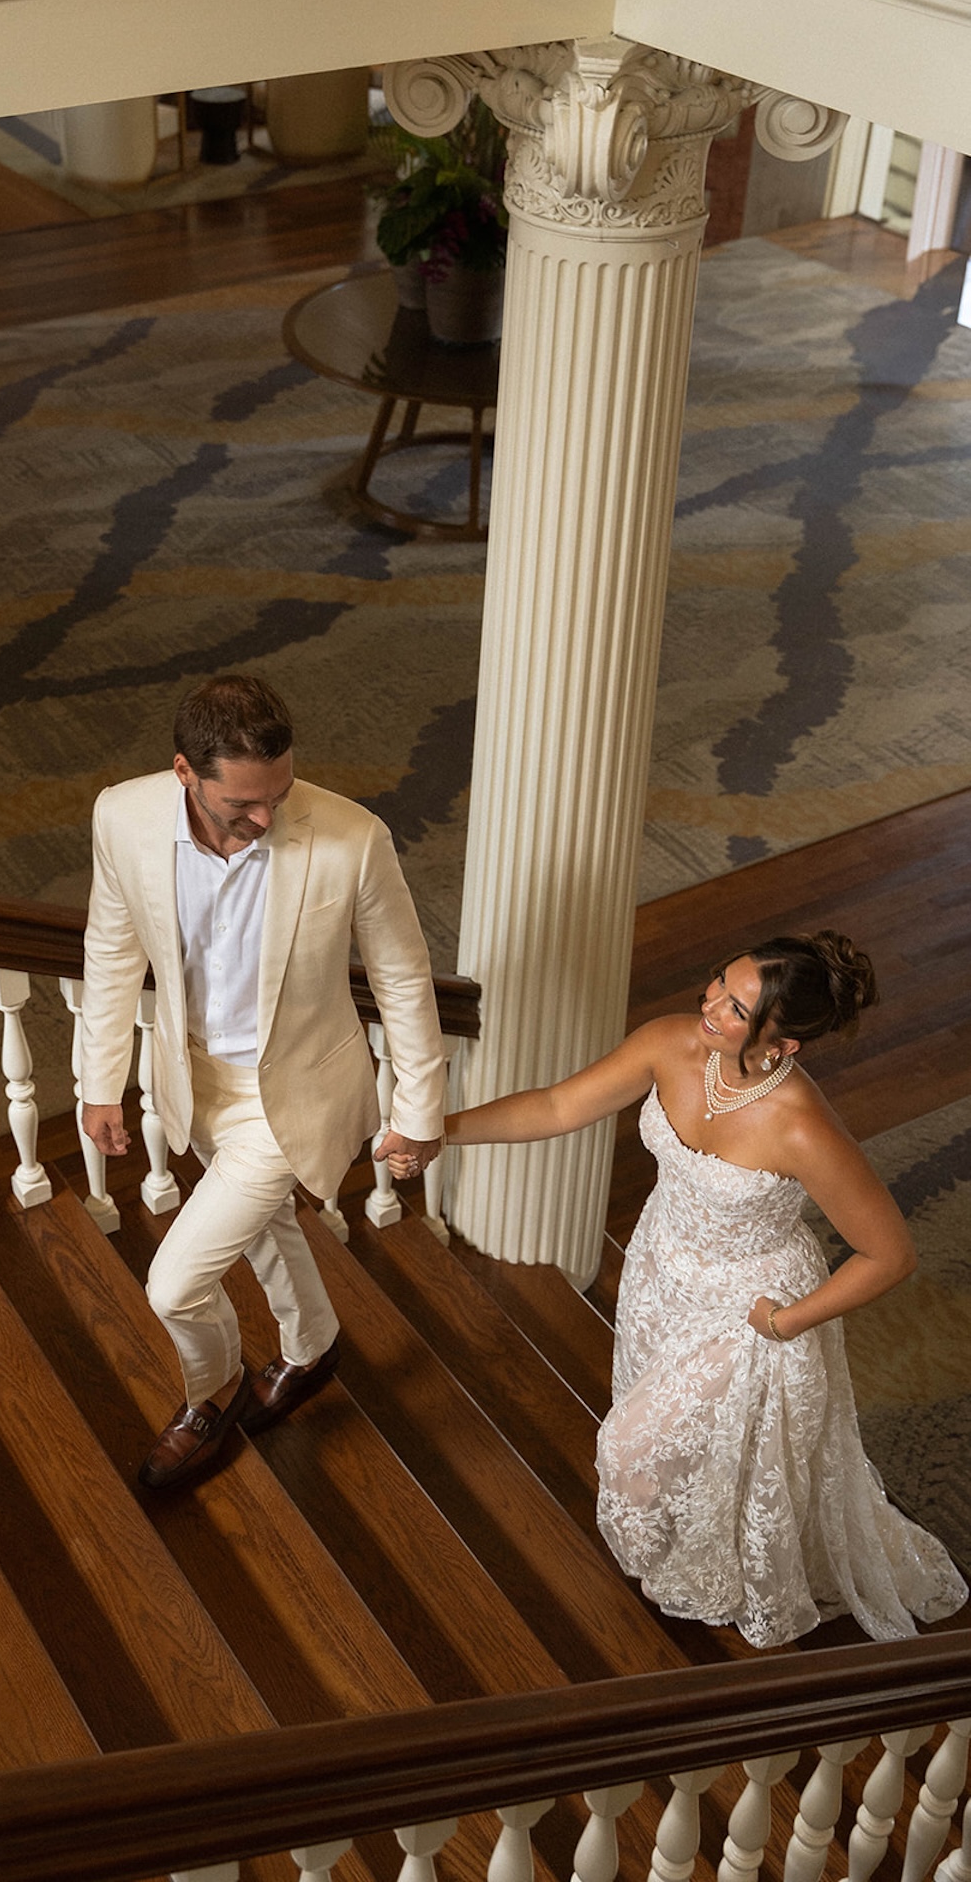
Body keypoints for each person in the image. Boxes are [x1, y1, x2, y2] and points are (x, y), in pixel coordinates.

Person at [436, 931, 967, 1648]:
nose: (710, 1005)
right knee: (695, 1449)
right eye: (719, 982)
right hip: (660, 1272)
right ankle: (699, 1556)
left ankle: (699, 1586)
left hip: (750, 1310)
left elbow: (890, 1253)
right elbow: (559, 1107)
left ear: (783, 1047)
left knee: (630, 1448)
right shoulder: (669, 1042)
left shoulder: (802, 1128)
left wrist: (786, 1323)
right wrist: (442, 1131)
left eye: (738, 1009)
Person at [81, 674, 445, 1490]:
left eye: (278, 795)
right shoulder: (122, 816)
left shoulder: (353, 837)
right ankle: (312, 1347)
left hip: (291, 1096)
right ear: (185, 773)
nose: (265, 819)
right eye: (241, 804)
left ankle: (209, 1396)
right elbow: (111, 949)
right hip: (192, 1080)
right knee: (264, 1224)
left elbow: (402, 976)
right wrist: (101, 1079)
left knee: (175, 1286)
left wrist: (419, 1110)